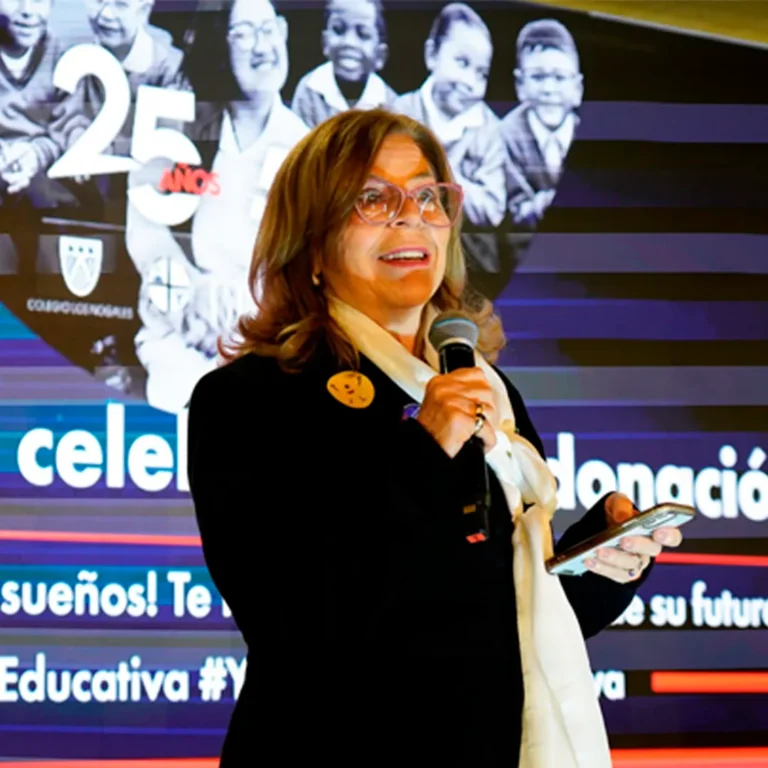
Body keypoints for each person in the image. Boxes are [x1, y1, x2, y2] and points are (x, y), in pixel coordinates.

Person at [187, 108, 684, 767]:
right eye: (373, 198)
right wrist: (423, 451)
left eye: (428, 196)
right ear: (310, 244)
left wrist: (600, 561)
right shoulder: (249, 399)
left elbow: (502, 620)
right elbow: (297, 623)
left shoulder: (487, 392)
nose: (411, 217)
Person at [124, 0, 308, 413]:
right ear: (218, 43)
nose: (262, 46)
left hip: (267, 349)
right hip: (181, 338)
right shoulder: (182, 129)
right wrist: (188, 307)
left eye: (268, 29)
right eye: (243, 33)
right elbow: (146, 232)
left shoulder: (308, 150)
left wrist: (247, 328)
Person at [393, 2, 505, 228]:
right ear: (432, 55)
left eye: (481, 74)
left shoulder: (489, 130)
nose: (470, 82)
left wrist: (444, 175)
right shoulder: (399, 111)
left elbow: (493, 210)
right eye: (462, 63)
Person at [500, 19, 583, 228]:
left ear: (577, 89)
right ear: (520, 85)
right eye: (537, 77)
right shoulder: (505, 137)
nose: (548, 89)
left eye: (559, 78)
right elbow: (513, 216)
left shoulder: (589, 134)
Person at [290, 0, 397, 128]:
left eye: (363, 34)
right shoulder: (309, 91)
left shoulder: (390, 104)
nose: (349, 42)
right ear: (324, 42)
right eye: (338, 30)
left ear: (380, 55)